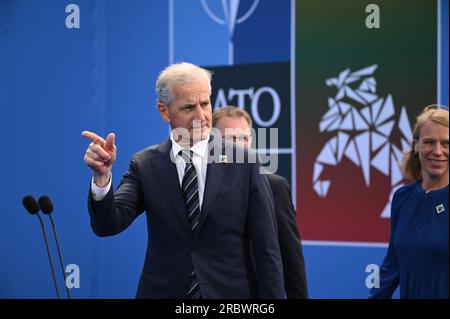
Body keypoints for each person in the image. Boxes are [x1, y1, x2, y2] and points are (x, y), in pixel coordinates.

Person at [82, 62, 284, 299]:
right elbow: (108, 225)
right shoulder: (145, 165)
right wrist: (102, 177)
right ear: (164, 111)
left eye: (205, 103)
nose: (201, 116)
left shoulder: (245, 163)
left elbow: (267, 251)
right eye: (189, 107)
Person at [212, 106, 309, 299]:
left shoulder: (275, 187)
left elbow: (291, 260)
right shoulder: (196, 184)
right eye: (231, 139)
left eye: (245, 138)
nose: (240, 145)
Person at [369, 105, 449, 299]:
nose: (437, 151)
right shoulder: (402, 197)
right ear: (416, 145)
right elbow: (391, 265)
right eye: (429, 142)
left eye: (446, 143)